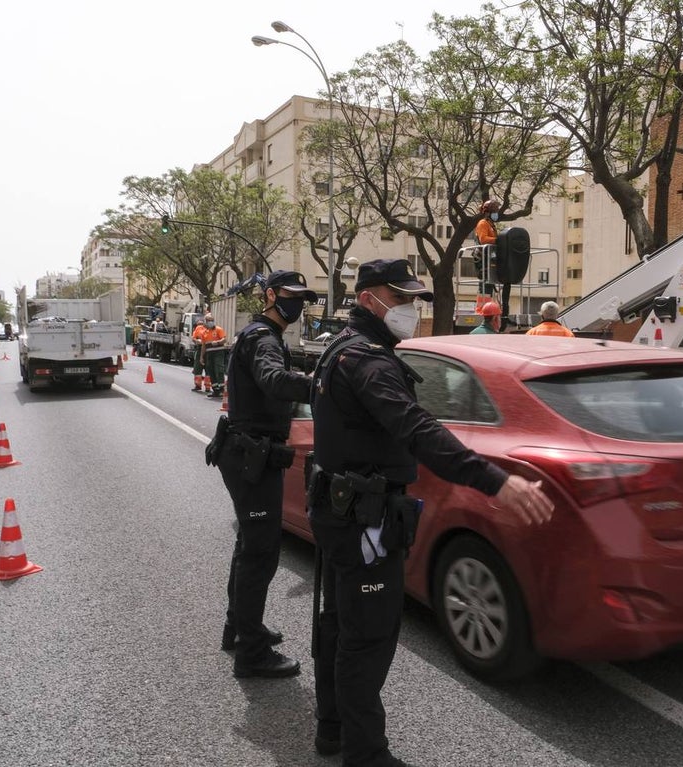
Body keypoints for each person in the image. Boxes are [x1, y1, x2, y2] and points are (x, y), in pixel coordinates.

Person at [308, 258, 553, 767]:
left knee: (338, 624)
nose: (411, 309)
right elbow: (417, 429)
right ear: (368, 299)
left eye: (414, 299)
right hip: (364, 521)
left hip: (339, 511)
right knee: (367, 639)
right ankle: (365, 754)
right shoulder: (370, 362)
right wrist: (495, 481)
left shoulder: (340, 349)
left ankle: (332, 729)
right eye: (401, 299)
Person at [208, 271, 317, 678]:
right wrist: (319, 384)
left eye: (303, 298)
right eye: (291, 295)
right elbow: (273, 380)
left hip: (246, 453)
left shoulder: (261, 334)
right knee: (260, 554)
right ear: (270, 295)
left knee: (248, 547)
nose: (297, 304)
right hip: (251, 457)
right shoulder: (264, 339)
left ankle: (239, 629)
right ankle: (252, 654)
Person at [472, 199, 500, 295]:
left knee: (489, 282)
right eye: (495, 212)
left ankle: (487, 301)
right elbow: (483, 239)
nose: (496, 214)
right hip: (482, 257)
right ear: (488, 213)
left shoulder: (491, 225)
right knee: (485, 283)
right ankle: (483, 302)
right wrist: (498, 240)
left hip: (488, 256)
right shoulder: (483, 223)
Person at [198, 313, 228, 398]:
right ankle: (215, 390)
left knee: (219, 370)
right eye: (208, 320)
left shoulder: (218, 329)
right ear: (205, 322)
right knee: (211, 371)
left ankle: (222, 389)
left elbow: (224, 339)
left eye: (212, 320)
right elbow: (203, 346)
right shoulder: (204, 333)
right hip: (209, 354)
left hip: (218, 353)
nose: (210, 322)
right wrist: (201, 357)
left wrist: (218, 342)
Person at [191, 319, 209, 392]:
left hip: (201, 349)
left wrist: (197, 341)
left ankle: (198, 386)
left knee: (198, 368)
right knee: (208, 369)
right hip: (208, 349)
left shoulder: (198, 329)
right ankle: (207, 387)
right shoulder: (208, 329)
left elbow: (193, 338)